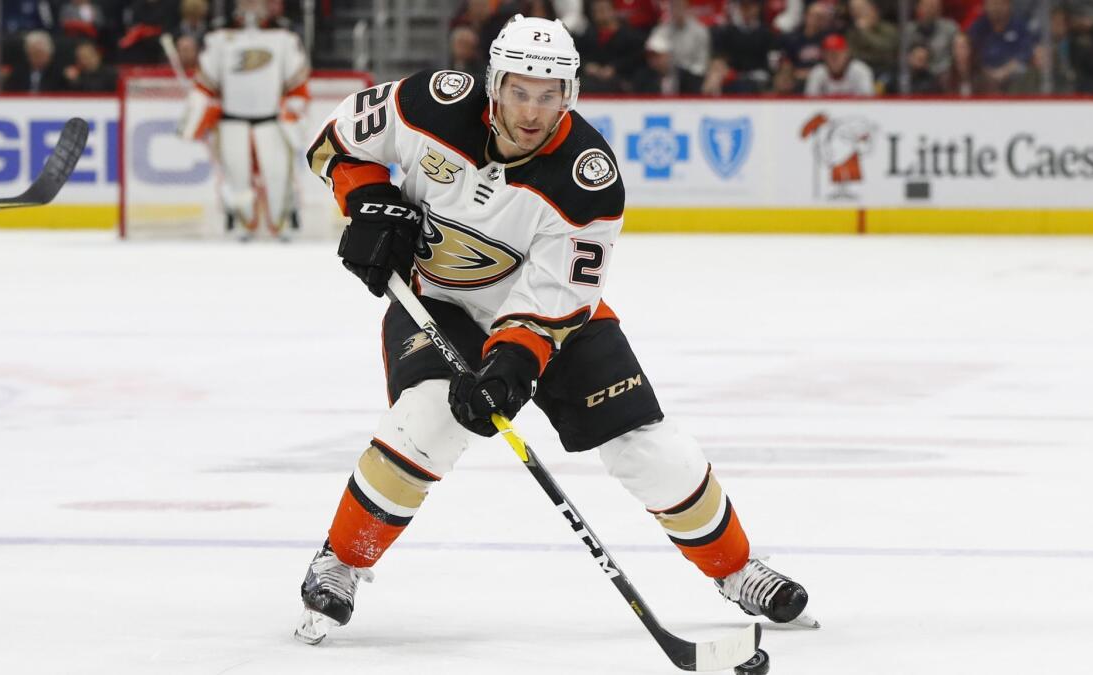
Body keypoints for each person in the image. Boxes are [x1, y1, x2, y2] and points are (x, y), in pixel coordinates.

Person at [293, 13, 812, 645]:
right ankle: (340, 562)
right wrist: (366, 200)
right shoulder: (431, 104)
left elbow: (556, 297)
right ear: (493, 84)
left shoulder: (587, 177)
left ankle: (738, 570)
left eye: (549, 94)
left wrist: (513, 364)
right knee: (427, 418)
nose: (532, 111)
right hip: (438, 300)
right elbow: (337, 142)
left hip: (546, 319)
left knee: (650, 449)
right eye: (519, 91)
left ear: (570, 93)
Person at [178, 0, 309, 240]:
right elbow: (205, 85)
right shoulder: (219, 37)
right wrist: (194, 113)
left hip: (272, 121)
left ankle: (282, 224)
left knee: (279, 177)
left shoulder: (284, 37)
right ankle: (242, 226)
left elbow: (297, 85)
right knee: (236, 178)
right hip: (231, 121)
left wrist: (294, 113)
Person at [805, 32, 875, 96]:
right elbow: (810, 103)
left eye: (838, 54)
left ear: (847, 54)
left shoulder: (860, 71)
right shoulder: (817, 73)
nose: (834, 59)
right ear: (823, 56)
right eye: (829, 54)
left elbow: (868, 102)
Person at [2, 30, 70, 93]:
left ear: (49, 54)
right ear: (28, 54)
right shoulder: (18, 72)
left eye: (40, 54)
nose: (37, 58)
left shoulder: (58, 73)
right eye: (34, 54)